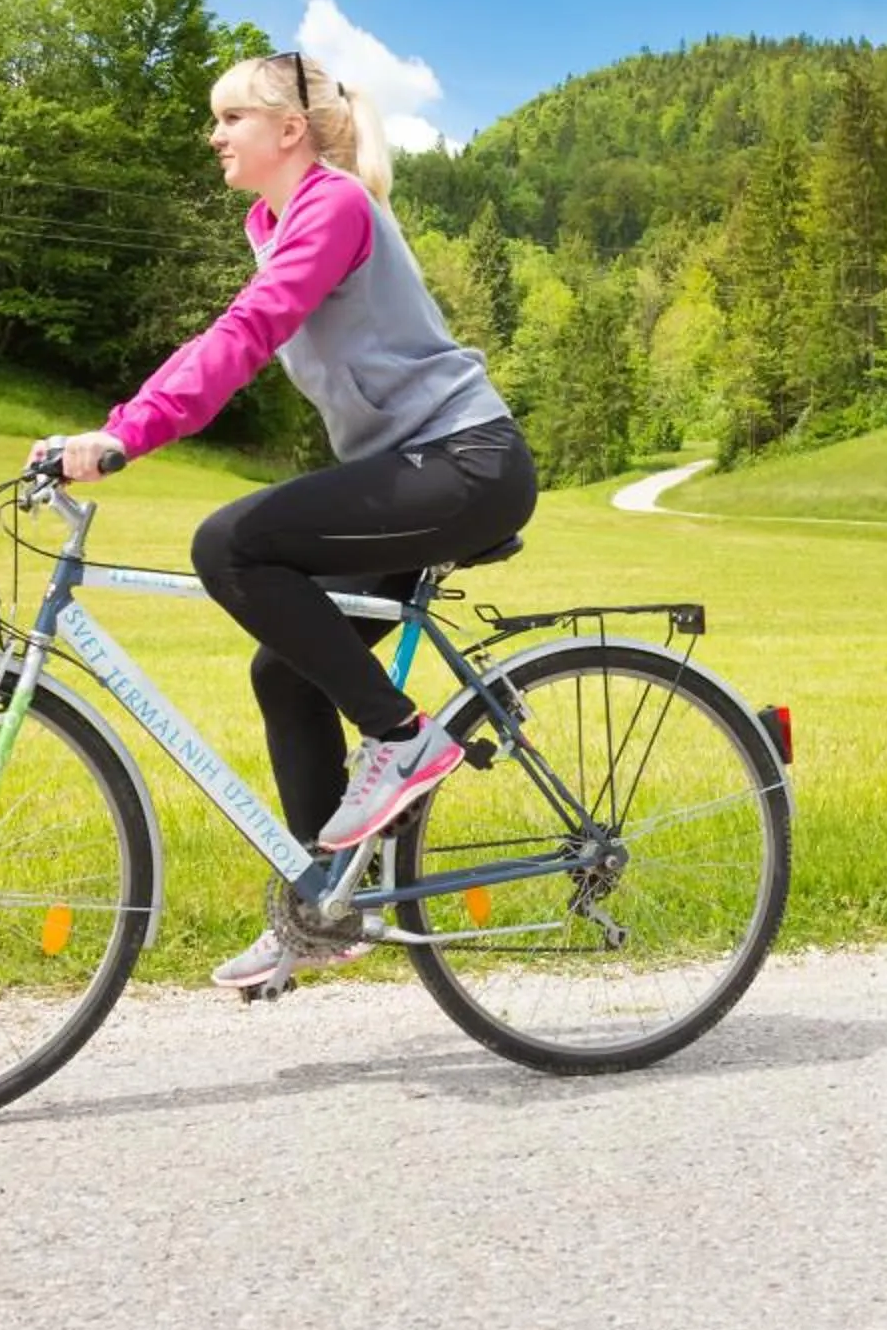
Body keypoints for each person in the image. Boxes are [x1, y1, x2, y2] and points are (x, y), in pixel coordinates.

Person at [45, 50, 535, 991]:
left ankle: (403, 739)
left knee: (231, 544)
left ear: (289, 131)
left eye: (230, 118)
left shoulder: (337, 205)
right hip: (410, 470)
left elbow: (249, 329)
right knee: (286, 667)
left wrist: (123, 434)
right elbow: (249, 323)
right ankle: (326, 904)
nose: (215, 135)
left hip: (467, 464)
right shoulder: (269, 223)